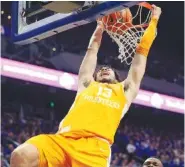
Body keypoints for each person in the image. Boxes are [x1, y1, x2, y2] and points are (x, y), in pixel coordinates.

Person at [10, 4, 161, 167]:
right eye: (100, 69)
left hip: (94, 150)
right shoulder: (87, 84)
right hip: (62, 141)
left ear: (117, 78)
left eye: (108, 69)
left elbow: (141, 55)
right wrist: (100, 27)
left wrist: (154, 20)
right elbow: (92, 50)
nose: (104, 69)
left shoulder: (125, 90)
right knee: (21, 155)